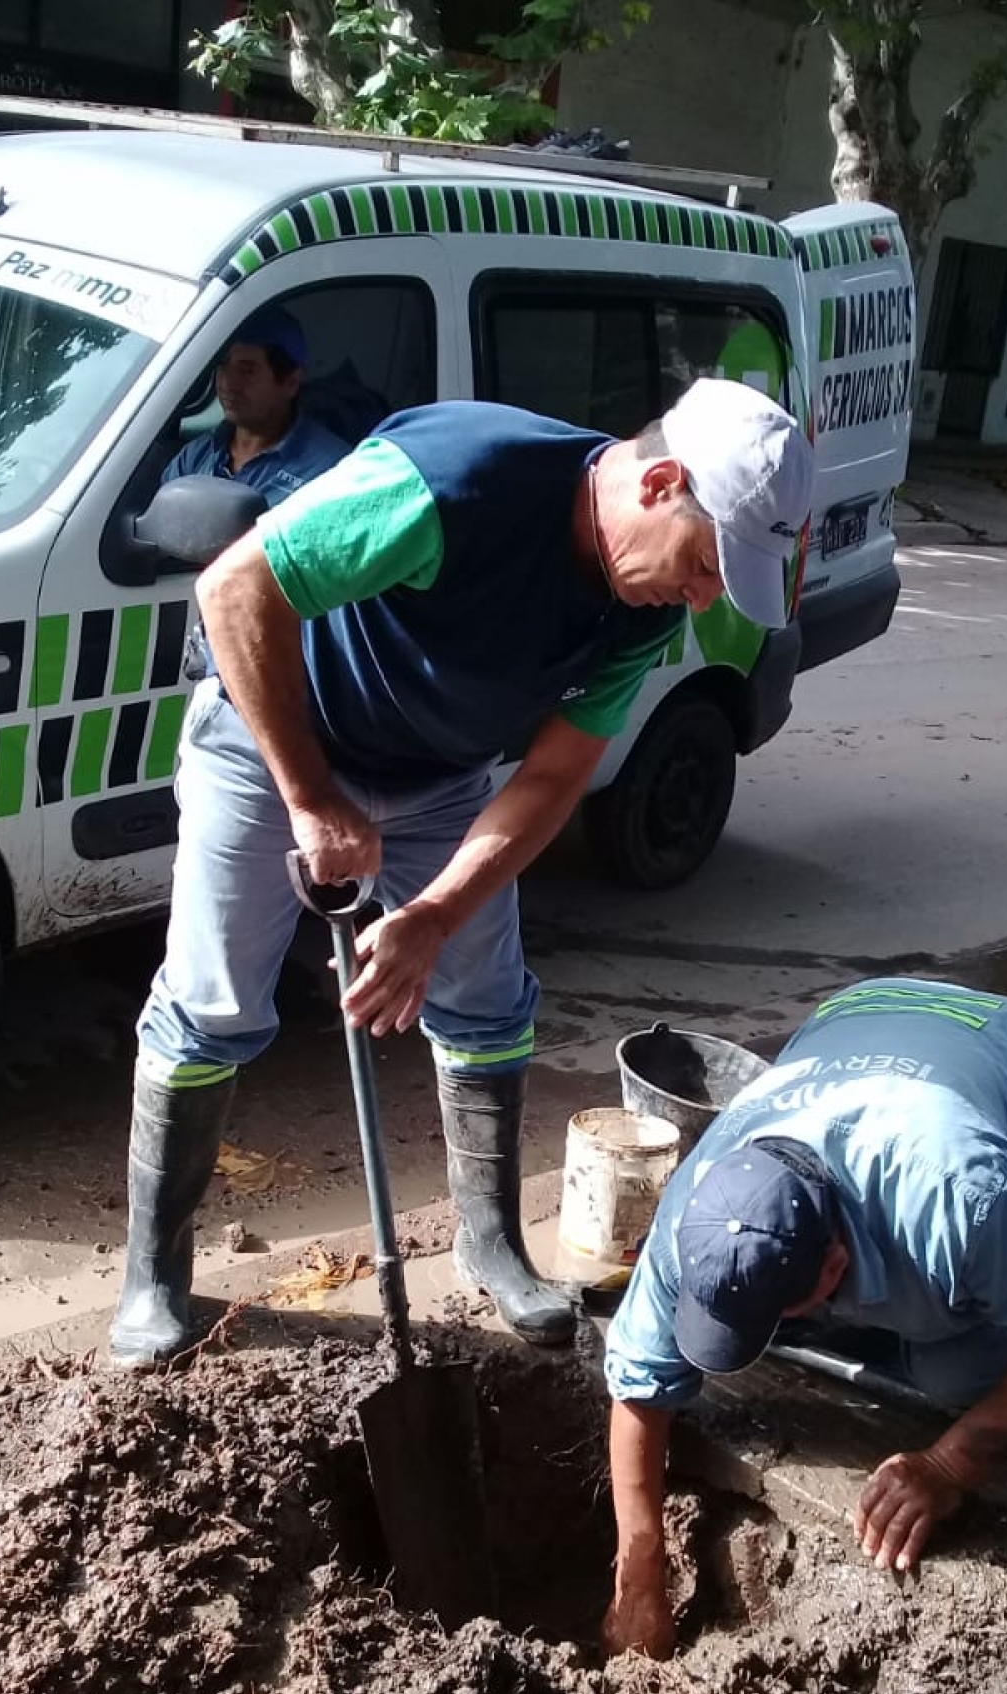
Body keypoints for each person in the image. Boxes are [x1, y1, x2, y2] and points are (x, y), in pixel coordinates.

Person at [109, 378, 815, 1369]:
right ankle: (155, 1272)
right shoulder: (457, 484)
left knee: (485, 996)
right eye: (705, 563)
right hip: (273, 740)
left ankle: (487, 1241)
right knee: (212, 1001)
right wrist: (312, 799)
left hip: (437, 776)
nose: (701, 598)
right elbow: (234, 589)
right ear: (659, 482)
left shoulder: (639, 607)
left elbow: (558, 773)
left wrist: (435, 913)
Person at [601, 975, 1007, 1659]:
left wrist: (946, 1466)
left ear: (833, 1266)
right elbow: (638, 1379)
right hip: (865, 1008)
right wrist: (639, 1571)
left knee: (955, 1370)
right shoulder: (698, 1206)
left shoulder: (961, 1199)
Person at [161, 305, 347, 505]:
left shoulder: (331, 474)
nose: (226, 384)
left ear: (291, 382)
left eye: (247, 371)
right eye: (223, 366)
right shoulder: (198, 454)